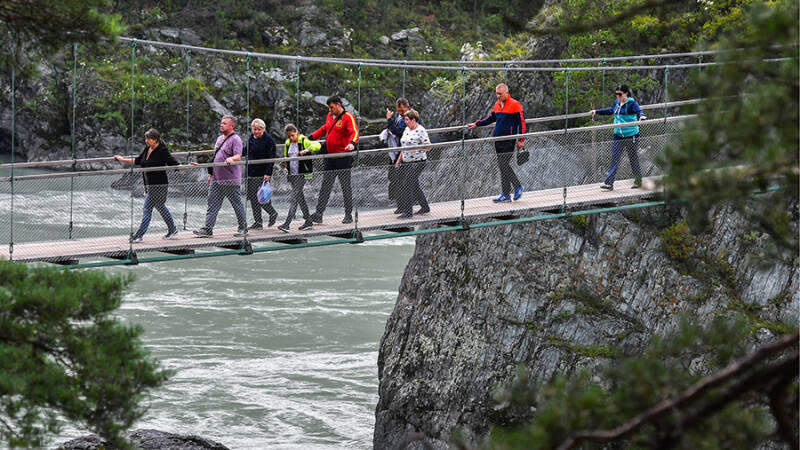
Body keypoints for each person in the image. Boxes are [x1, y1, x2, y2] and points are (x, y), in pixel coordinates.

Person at [114, 128, 179, 243]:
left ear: (155, 140)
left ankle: (139, 235)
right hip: (149, 185)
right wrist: (122, 159)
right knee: (160, 207)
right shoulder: (147, 149)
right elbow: (138, 161)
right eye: (146, 138)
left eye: (149, 139)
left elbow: (174, 164)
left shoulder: (162, 151)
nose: (146, 141)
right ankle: (172, 229)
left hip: (159, 186)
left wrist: (188, 166)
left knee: (147, 208)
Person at [467, 83, 526, 203]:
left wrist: (521, 140)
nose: (498, 96)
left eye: (500, 94)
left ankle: (518, 186)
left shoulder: (515, 104)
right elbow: (491, 118)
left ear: (506, 93)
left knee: (504, 165)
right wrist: (477, 124)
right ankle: (506, 194)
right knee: (502, 167)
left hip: (509, 140)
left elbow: (522, 123)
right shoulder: (497, 104)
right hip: (497, 140)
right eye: (497, 93)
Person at [193, 115, 247, 237]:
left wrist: (231, 158)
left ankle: (243, 228)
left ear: (232, 126)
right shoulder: (219, 139)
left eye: (225, 123)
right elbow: (215, 157)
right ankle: (208, 229)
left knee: (236, 204)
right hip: (217, 178)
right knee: (212, 204)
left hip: (230, 179)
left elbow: (238, 156)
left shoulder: (236, 139)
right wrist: (211, 174)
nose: (221, 125)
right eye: (221, 123)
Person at [309, 95, 359, 225]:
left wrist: (353, 143)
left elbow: (354, 131)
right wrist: (311, 137)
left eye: (331, 107)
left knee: (345, 187)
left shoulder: (348, 117)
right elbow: (325, 128)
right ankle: (319, 214)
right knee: (325, 186)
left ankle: (348, 215)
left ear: (338, 105)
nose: (330, 110)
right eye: (328, 108)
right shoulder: (330, 115)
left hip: (343, 158)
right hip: (330, 158)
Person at [591, 84, 647, 190]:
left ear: (626, 93)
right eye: (616, 94)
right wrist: (597, 112)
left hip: (631, 135)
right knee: (615, 159)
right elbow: (610, 110)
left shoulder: (631, 103)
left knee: (633, 159)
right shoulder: (617, 103)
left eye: (620, 94)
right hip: (618, 135)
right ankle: (609, 183)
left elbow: (639, 111)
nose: (618, 96)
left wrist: (642, 116)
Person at [277, 124, 322, 232]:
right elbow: (286, 156)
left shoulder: (303, 141)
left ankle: (287, 224)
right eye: (289, 136)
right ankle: (308, 221)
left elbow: (318, 145)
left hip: (302, 173)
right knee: (300, 197)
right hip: (292, 174)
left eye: (292, 135)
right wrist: (284, 163)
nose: (291, 138)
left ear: (296, 132)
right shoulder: (288, 143)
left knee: (294, 197)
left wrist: (307, 150)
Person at [395, 109, 431, 219]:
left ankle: (408, 212)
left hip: (418, 162)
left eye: (406, 119)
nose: (405, 122)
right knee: (414, 185)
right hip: (408, 162)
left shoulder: (421, 130)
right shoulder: (406, 129)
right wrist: (399, 160)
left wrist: (418, 150)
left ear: (413, 120)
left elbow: (428, 146)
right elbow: (404, 146)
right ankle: (425, 207)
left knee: (407, 183)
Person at [244, 118, 279, 229]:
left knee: (261, 197)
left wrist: (268, 173)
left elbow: (271, 158)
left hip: (262, 173)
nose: (256, 132)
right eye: (254, 129)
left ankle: (272, 213)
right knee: (252, 197)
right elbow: (246, 150)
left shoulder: (269, 140)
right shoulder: (251, 138)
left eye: (259, 129)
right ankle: (258, 222)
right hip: (250, 171)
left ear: (263, 129)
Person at [385, 97, 410, 213]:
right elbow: (394, 129)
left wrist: (389, 121)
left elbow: (400, 131)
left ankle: (405, 207)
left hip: (404, 153)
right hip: (395, 151)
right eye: (399, 111)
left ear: (407, 107)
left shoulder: (411, 117)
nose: (401, 113)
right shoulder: (398, 117)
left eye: (402, 111)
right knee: (396, 180)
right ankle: (400, 206)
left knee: (403, 180)